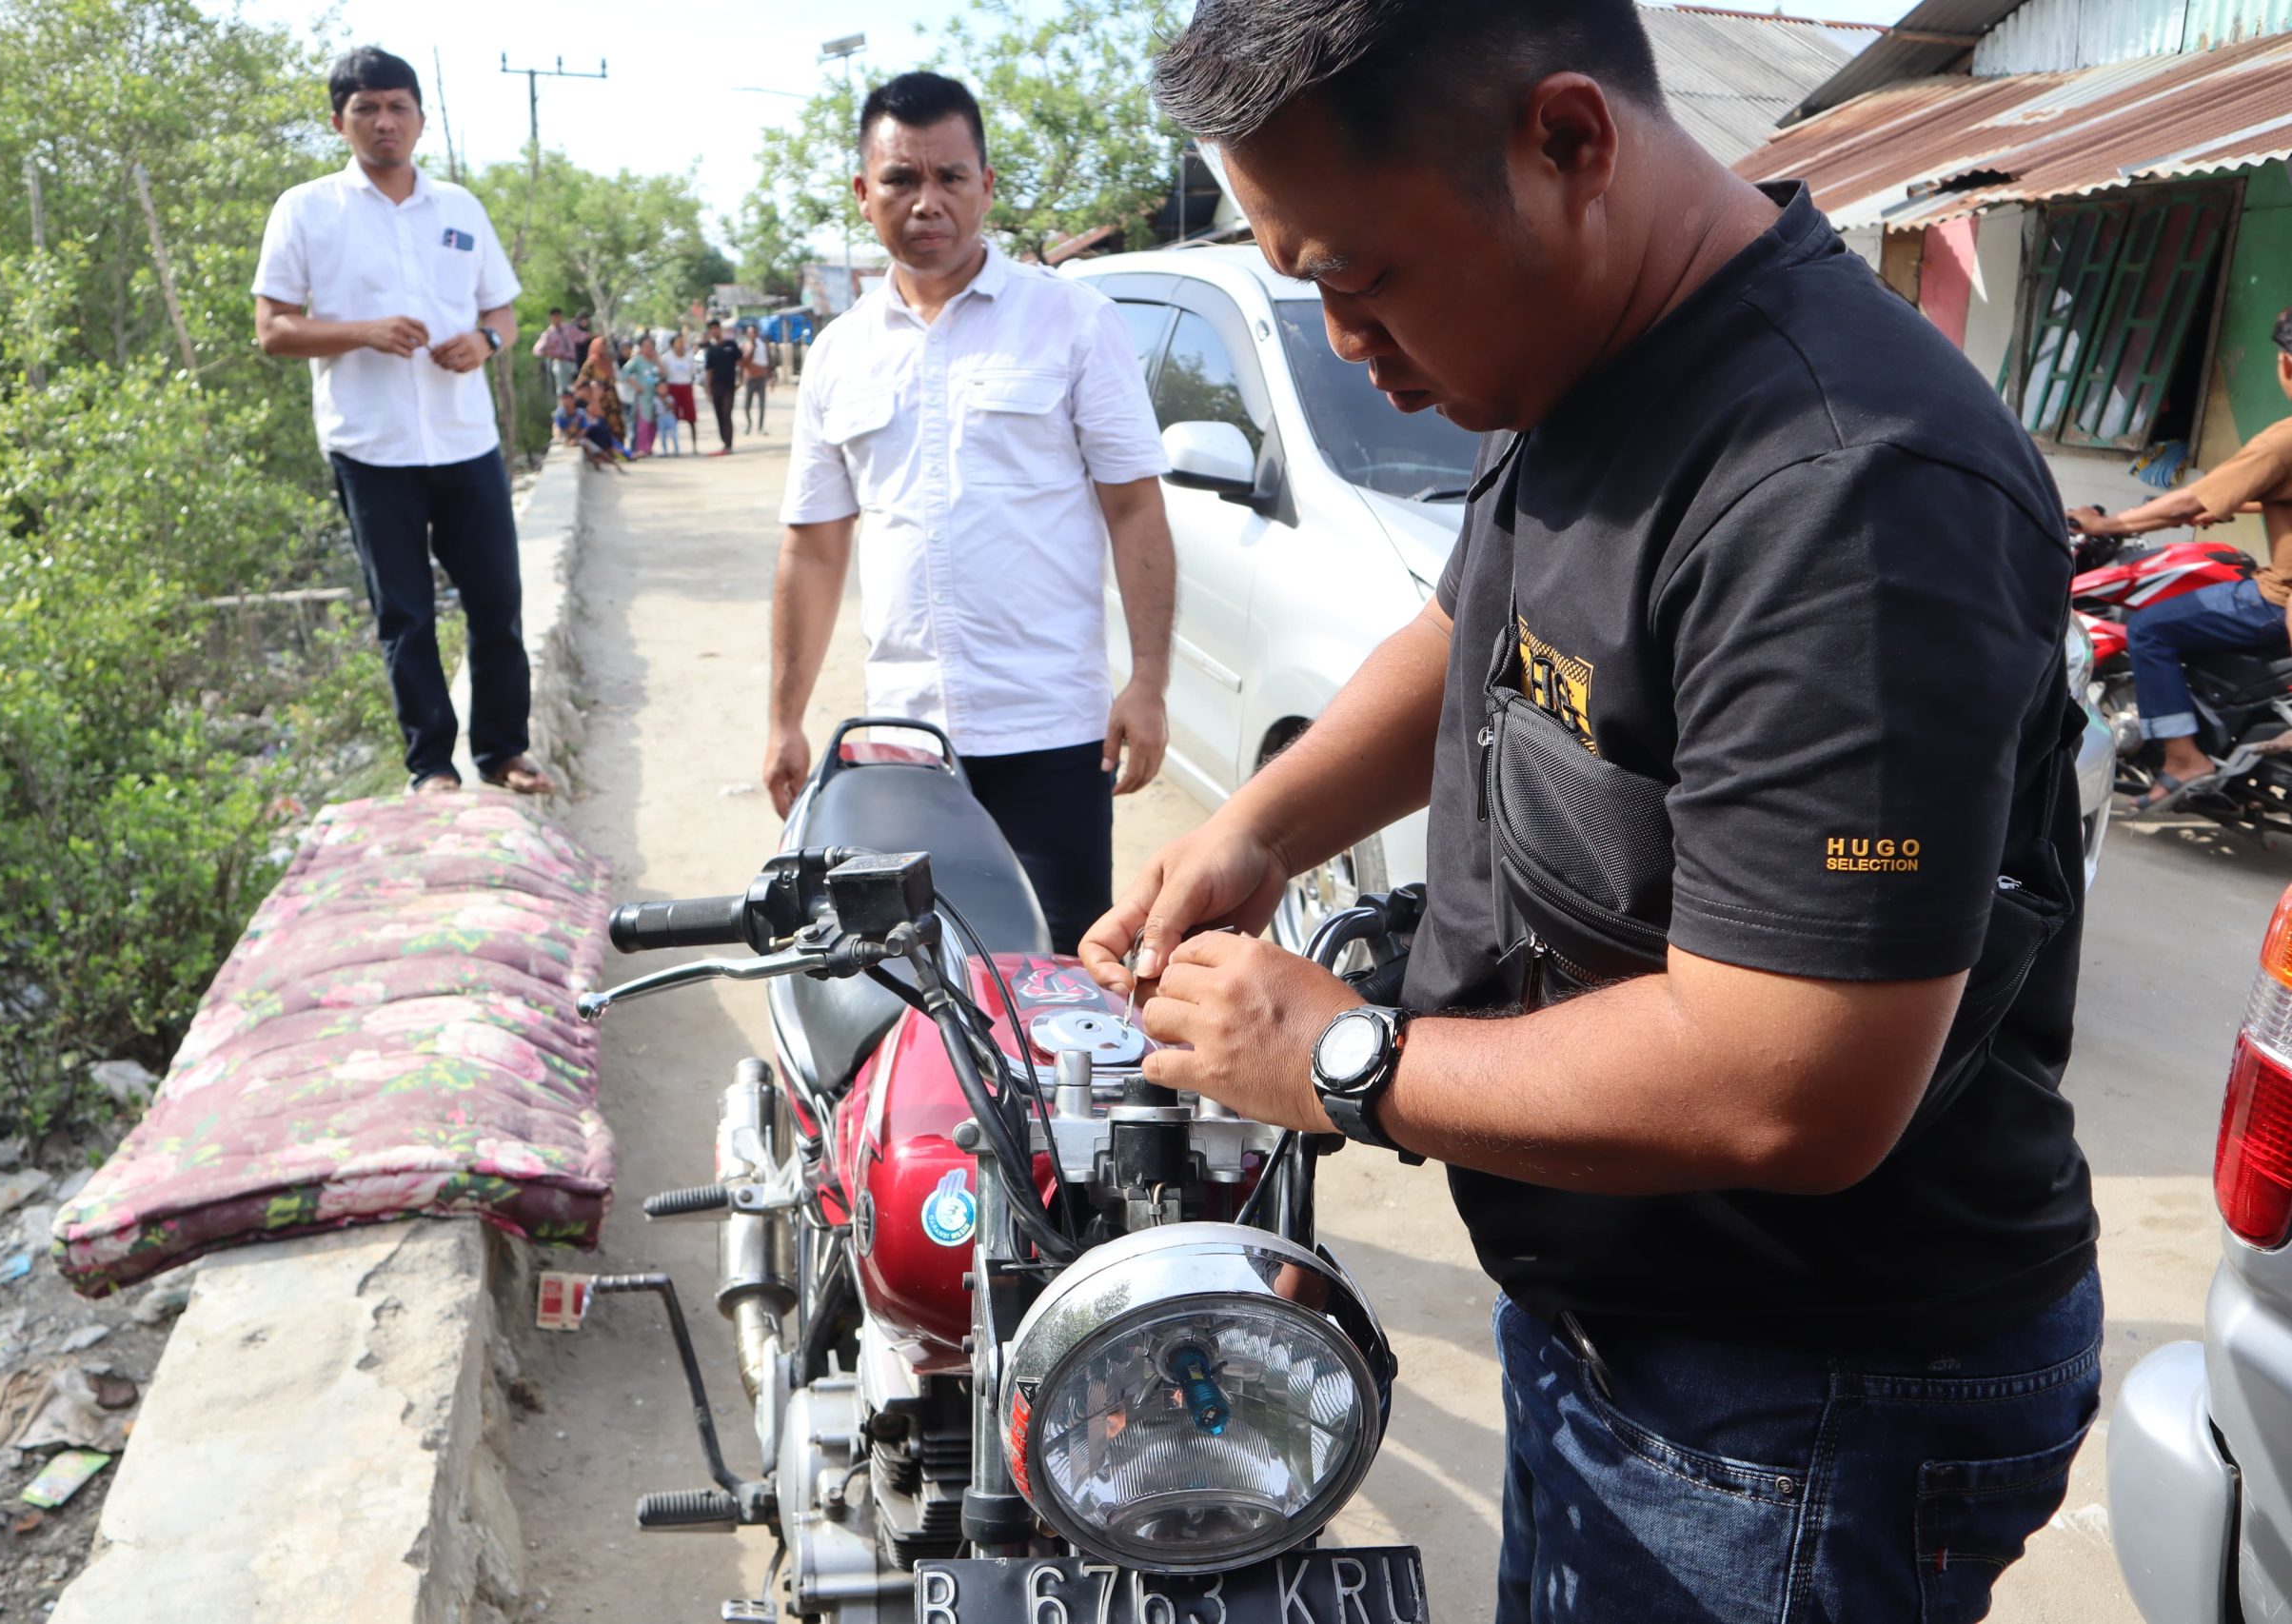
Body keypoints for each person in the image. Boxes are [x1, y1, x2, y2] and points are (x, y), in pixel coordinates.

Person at [1083, 7, 2100, 1620]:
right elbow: (1473, 626)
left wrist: (1338, 1057)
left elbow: (1792, 1079)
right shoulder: (1587, 349)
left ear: (1568, 142)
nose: (1344, 339)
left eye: (1361, 276)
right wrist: (1261, 825)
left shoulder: (1846, 488)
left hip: (1794, 1395)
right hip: (1624, 1314)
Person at [768, 71, 1177, 955]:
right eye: (901, 179)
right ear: (863, 193)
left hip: (1052, 732)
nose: (928, 202)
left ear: (986, 186)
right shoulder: (838, 355)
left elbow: (1135, 508)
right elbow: (814, 549)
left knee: (1057, 976)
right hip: (903, 742)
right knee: (916, 978)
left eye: (951, 177)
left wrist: (1147, 682)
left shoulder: (1071, 322)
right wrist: (784, 718)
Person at [252, 45, 555, 798]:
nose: (384, 122)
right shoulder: (306, 208)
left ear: (420, 119)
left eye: (398, 107)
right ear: (339, 121)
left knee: (497, 604)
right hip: (371, 444)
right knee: (406, 614)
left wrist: (484, 343)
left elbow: (502, 313)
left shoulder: (460, 209)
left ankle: (503, 752)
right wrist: (363, 331)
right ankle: (431, 768)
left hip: (464, 438)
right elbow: (273, 330)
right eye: (366, 109)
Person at [2067, 309, 2292, 813]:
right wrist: (2227, 502)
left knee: (2150, 628)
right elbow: (2270, 492)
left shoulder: (2284, 438)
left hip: (2279, 597)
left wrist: (2107, 524)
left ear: (2286, 365)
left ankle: (2184, 757)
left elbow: (2188, 502)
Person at [574, 334, 627, 456]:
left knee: (617, 425)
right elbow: (582, 382)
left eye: (604, 345)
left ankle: (619, 451)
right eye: (600, 345)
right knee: (604, 426)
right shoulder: (591, 363)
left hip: (613, 401)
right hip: (599, 402)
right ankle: (607, 452)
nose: (603, 348)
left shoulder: (608, 361)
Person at [700, 318, 742, 456]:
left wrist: (740, 379)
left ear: (719, 329)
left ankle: (729, 444)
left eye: (715, 328)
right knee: (719, 415)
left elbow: (740, 362)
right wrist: (707, 389)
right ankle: (724, 442)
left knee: (726, 413)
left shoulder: (731, 345)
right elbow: (709, 371)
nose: (714, 330)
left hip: (729, 385)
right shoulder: (711, 350)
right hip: (716, 386)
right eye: (711, 328)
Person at [623, 334, 666, 458]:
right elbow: (624, 372)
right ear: (641, 347)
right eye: (645, 346)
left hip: (655, 397)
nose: (648, 348)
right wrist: (636, 385)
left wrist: (657, 361)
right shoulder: (637, 360)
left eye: (650, 346)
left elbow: (664, 374)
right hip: (643, 397)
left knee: (653, 423)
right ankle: (640, 448)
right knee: (643, 423)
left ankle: (648, 448)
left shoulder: (655, 361)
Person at [662, 332, 697, 456]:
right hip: (673, 388)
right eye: (678, 342)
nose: (681, 344)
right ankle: (674, 447)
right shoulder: (666, 358)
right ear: (673, 344)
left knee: (691, 418)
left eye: (682, 342)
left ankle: (694, 446)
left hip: (686, 387)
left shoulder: (689, 357)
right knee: (673, 418)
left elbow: (693, 373)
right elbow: (663, 374)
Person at [533, 307, 581, 397]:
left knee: (576, 387)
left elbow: (581, 336)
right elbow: (537, 350)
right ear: (551, 318)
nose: (557, 319)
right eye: (555, 317)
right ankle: (563, 404)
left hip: (572, 361)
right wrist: (551, 354)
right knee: (563, 390)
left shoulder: (568, 328)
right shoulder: (548, 333)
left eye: (559, 316)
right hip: (560, 362)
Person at [741, 322, 773, 434]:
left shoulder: (762, 345)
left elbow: (767, 362)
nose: (752, 335)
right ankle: (749, 424)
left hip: (761, 378)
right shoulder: (745, 346)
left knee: (762, 405)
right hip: (750, 379)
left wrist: (770, 378)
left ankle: (760, 427)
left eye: (754, 332)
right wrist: (752, 349)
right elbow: (743, 362)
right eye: (750, 333)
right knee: (746, 406)